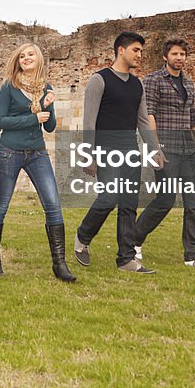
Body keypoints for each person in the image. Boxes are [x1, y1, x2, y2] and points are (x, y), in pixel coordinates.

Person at [73, 31, 162, 274]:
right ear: (120, 50)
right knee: (109, 198)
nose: (140, 55)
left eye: (141, 51)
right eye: (136, 50)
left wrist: (154, 149)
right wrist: (88, 153)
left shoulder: (138, 84)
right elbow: (89, 121)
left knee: (129, 204)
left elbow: (143, 121)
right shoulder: (99, 80)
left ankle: (126, 259)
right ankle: (83, 236)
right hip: (105, 148)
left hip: (129, 149)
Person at [0, 43, 75, 282]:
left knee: (53, 204)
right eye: (22, 56)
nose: (26, 58)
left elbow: (50, 126)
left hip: (37, 152)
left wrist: (48, 106)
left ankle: (59, 264)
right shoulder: (9, 86)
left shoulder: (45, 88)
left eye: (30, 54)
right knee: (1, 205)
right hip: (9, 152)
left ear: (39, 58)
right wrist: (32, 117)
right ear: (17, 61)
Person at [135, 38, 195, 270]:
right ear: (165, 56)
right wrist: (155, 148)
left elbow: (194, 118)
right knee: (165, 200)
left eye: (182, 54)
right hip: (166, 149)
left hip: (188, 150)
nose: (179, 58)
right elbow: (148, 115)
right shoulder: (153, 80)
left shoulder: (189, 84)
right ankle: (134, 240)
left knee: (194, 202)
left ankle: (194, 255)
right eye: (175, 54)